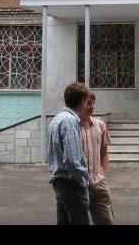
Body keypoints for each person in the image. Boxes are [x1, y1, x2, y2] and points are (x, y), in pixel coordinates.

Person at [46, 81, 91, 226]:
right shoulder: (70, 122)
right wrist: (83, 181)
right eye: (86, 100)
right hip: (71, 184)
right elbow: (71, 160)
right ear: (83, 100)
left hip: (59, 182)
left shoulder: (56, 120)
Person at [79, 92, 114, 225]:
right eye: (88, 103)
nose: (92, 106)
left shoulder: (100, 125)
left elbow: (104, 154)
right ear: (81, 104)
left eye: (93, 103)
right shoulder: (72, 126)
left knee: (106, 221)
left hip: (99, 183)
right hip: (80, 185)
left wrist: (104, 176)